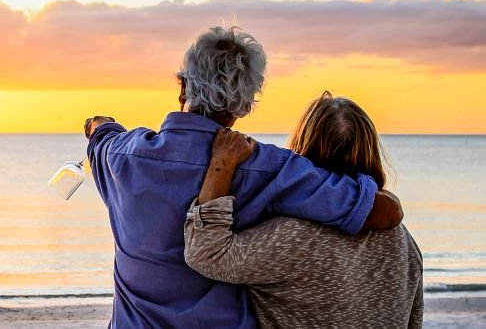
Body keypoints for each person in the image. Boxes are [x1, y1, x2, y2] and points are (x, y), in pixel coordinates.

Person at [85, 26, 403, 328]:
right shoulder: (270, 169)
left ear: (182, 87)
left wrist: (98, 123)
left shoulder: (122, 155)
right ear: (246, 104)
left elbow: (100, 131)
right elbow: (382, 212)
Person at [184, 92, 423, 328]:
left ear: (303, 148)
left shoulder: (293, 236)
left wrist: (222, 164)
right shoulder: (403, 241)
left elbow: (207, 253)